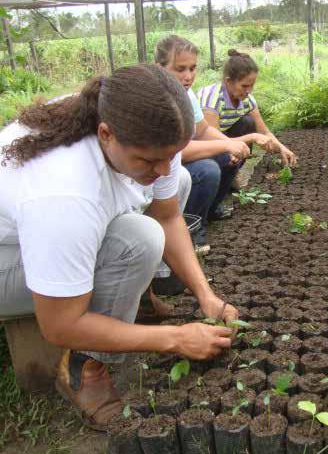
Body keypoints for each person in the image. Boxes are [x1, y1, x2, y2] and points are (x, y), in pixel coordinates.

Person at [0, 64, 238, 430]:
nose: (162, 169)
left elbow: (168, 216)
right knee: (137, 240)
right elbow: (60, 325)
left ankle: (130, 297)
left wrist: (205, 295)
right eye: (147, 161)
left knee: (157, 216)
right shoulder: (65, 193)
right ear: (106, 134)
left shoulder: (144, 129)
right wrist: (174, 338)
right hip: (7, 261)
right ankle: (86, 372)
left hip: (44, 234)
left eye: (169, 156)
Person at [154, 35, 251, 243]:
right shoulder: (157, 99)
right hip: (159, 171)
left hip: (177, 162)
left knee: (229, 154)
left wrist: (231, 145)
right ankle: (190, 231)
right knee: (207, 169)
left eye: (192, 68)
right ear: (160, 68)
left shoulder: (186, 95)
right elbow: (173, 153)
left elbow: (203, 130)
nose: (189, 76)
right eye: (180, 69)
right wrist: (224, 144)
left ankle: (208, 210)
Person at [197, 49, 297, 168]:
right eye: (244, 86)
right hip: (201, 145)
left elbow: (264, 132)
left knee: (248, 122)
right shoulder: (212, 98)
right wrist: (252, 137)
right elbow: (212, 141)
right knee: (219, 161)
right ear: (228, 81)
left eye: (251, 86)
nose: (249, 91)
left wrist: (282, 148)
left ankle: (233, 173)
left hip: (225, 138)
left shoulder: (247, 100)